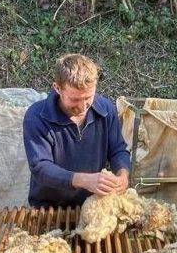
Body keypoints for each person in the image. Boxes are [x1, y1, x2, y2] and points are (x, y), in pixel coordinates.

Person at [23, 53, 130, 207]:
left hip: (92, 204)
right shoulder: (37, 117)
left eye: (88, 98)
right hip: (48, 208)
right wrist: (83, 180)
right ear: (57, 88)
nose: (82, 106)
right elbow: (40, 167)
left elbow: (118, 149)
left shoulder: (106, 109)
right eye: (74, 99)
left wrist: (123, 174)